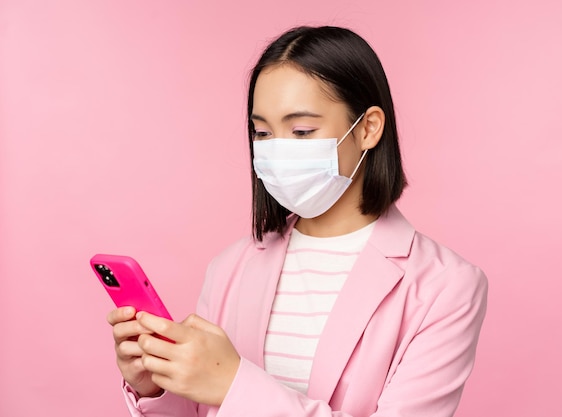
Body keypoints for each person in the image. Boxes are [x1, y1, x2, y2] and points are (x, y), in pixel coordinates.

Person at [107, 25, 488, 417]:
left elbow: (228, 392)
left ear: (369, 128)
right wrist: (155, 387)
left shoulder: (447, 287)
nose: (278, 151)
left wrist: (234, 385)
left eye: (302, 131)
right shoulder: (229, 267)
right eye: (262, 132)